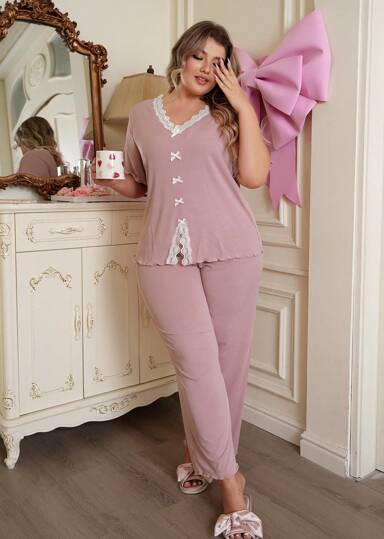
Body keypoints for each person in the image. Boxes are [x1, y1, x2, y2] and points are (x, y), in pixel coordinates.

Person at [93, 20, 270, 539]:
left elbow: (253, 177)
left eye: (219, 62)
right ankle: (232, 484)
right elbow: (139, 184)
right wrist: (111, 180)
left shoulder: (226, 115)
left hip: (233, 250)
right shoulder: (142, 116)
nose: (206, 69)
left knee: (227, 366)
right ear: (181, 56)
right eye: (199, 56)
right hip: (163, 255)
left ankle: (200, 455)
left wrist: (242, 106)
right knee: (196, 364)